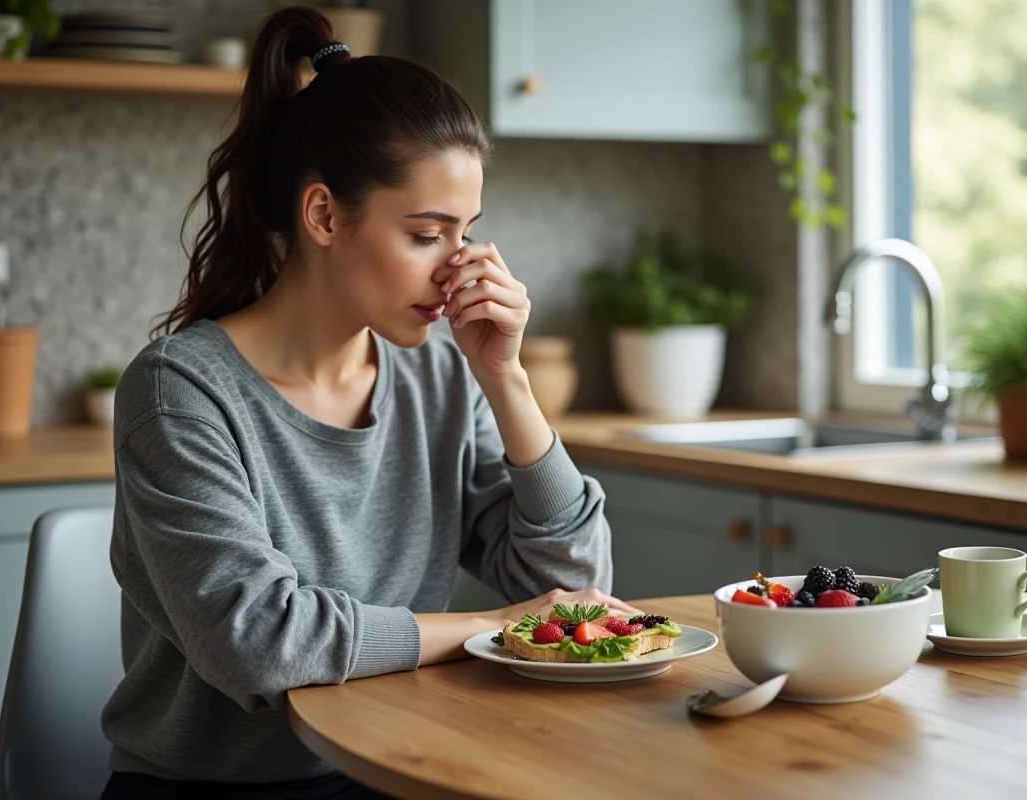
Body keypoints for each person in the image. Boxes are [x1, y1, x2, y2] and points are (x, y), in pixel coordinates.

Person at [99, 7, 636, 799]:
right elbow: (260, 644)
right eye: (427, 235)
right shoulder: (179, 392)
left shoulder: (443, 381)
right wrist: (495, 628)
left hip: (393, 767)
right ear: (323, 215)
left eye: (468, 234)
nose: (459, 269)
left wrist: (507, 382)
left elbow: (571, 577)